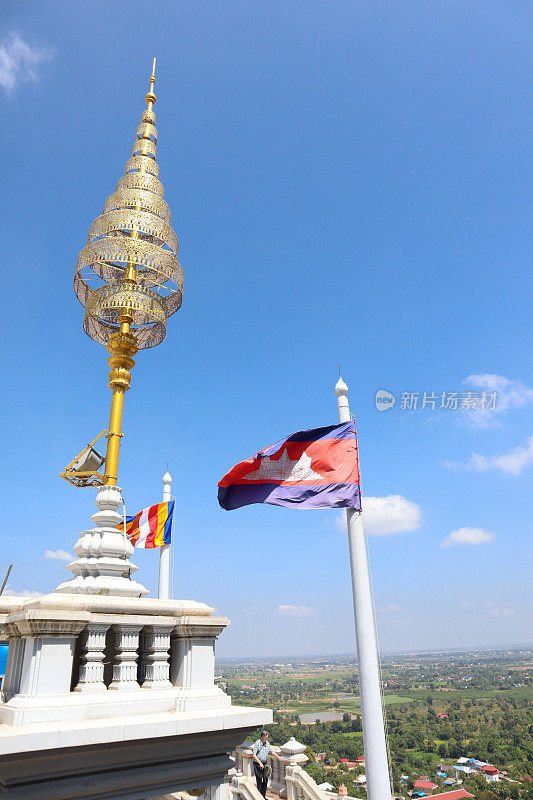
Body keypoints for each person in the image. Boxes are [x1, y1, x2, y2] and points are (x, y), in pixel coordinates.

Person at [251, 730, 280, 797]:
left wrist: (278, 757)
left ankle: (263, 796)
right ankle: (259, 796)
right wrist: (260, 763)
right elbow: (254, 755)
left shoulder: (267, 743)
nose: (267, 739)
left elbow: (271, 751)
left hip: (265, 763)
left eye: (267, 737)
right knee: (259, 780)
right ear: (262, 737)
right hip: (257, 764)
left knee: (265, 780)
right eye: (266, 737)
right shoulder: (257, 743)